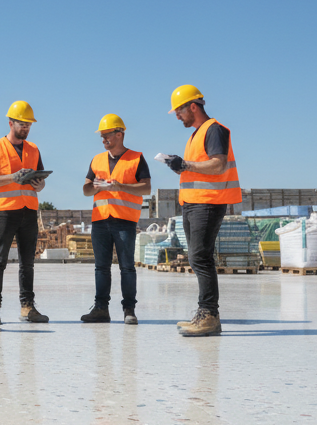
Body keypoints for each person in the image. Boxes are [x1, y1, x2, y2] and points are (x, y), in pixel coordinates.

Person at [162, 84, 241, 337]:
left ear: (193, 107)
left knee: (200, 257)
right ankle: (205, 313)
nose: (177, 116)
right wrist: (182, 167)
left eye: (179, 111)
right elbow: (199, 167)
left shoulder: (214, 129)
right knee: (198, 258)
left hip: (208, 202)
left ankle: (209, 315)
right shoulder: (197, 133)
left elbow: (218, 165)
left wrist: (184, 164)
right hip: (193, 202)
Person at [0, 100, 49, 326]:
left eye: (29, 124)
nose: (27, 128)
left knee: (27, 262)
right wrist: (13, 177)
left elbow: (39, 180)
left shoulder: (34, 149)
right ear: (11, 123)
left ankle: (27, 307)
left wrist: (40, 185)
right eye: (23, 124)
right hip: (4, 212)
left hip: (28, 211)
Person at [80, 114, 150, 325]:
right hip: (100, 220)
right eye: (101, 136)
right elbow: (85, 190)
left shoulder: (136, 158)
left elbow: (146, 187)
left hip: (124, 221)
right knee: (101, 267)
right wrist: (95, 186)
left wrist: (120, 186)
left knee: (126, 266)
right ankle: (101, 308)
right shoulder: (97, 159)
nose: (103, 140)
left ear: (119, 134)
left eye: (106, 135)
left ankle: (129, 310)